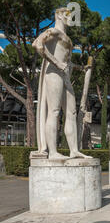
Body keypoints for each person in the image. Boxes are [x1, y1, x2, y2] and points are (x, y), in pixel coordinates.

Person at [32, 8, 91, 159]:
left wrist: (82, 68)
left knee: (71, 113)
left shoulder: (68, 39)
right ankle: (52, 152)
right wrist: (57, 63)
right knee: (54, 111)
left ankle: (74, 150)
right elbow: (37, 44)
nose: (70, 19)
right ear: (58, 15)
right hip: (53, 73)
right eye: (67, 15)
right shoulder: (54, 31)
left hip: (64, 76)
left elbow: (68, 63)